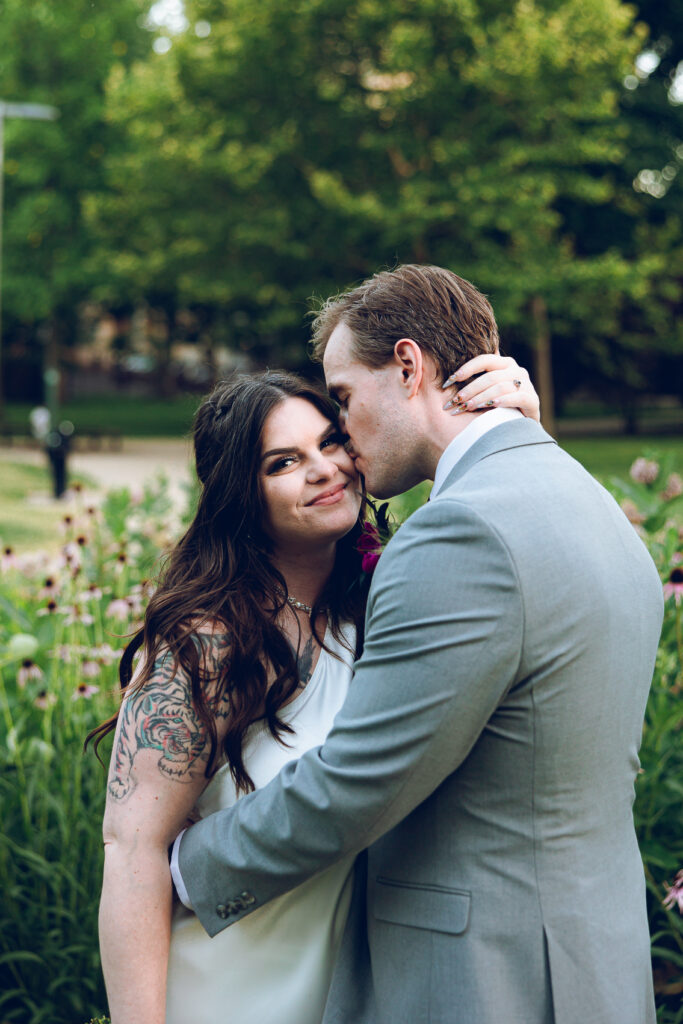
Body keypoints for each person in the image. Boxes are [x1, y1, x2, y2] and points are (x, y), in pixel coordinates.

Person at [173, 265, 664, 1024]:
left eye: (342, 398)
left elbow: (360, 780)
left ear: (407, 367)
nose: (342, 437)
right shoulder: (587, 500)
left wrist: (185, 867)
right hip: (589, 957)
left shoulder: (462, 531)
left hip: (479, 977)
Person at [90, 353, 540, 1024]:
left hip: (356, 993)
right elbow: (132, 852)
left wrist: (518, 432)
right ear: (241, 495)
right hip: (223, 993)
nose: (324, 469)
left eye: (330, 441)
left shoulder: (386, 610)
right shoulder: (207, 644)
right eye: (282, 462)